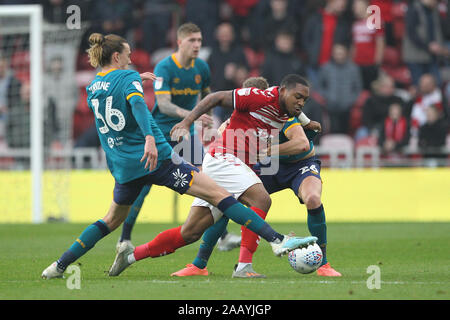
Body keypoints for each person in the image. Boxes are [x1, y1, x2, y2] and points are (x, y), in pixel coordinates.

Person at [41, 33, 315, 280]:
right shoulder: (128, 78)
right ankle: (277, 240)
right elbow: (137, 104)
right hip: (158, 158)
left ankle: (60, 265)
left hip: (123, 165)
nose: (131, 59)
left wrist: (135, 80)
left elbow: (116, 114)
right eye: (127, 55)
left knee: (113, 221)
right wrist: (149, 136)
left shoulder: (92, 87)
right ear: (117, 56)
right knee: (223, 196)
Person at [106, 73, 318, 277]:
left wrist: (307, 122)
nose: (300, 103)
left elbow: (297, 110)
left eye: (304, 100)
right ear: (282, 91)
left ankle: (131, 256)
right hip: (224, 159)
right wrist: (187, 122)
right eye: (297, 97)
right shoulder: (259, 96)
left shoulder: (287, 110)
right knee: (261, 199)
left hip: (227, 166)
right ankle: (249, 263)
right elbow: (214, 97)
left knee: (190, 232)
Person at [171, 76, 341, 278]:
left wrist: (268, 149)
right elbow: (225, 136)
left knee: (312, 199)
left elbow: (301, 144)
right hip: (269, 166)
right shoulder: (240, 116)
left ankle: (324, 264)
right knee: (225, 199)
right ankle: (204, 265)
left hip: (299, 165)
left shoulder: (284, 114)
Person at [118, 22, 240, 252]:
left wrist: (209, 121)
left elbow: (208, 98)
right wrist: (193, 116)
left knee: (209, 179)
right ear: (179, 42)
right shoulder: (164, 67)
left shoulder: (201, 67)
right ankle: (124, 239)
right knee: (143, 188)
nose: (196, 45)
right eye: (192, 40)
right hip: (161, 134)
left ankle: (221, 237)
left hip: (187, 135)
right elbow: (163, 105)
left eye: (199, 41)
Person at [317, 43, 362, 134]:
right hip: (330, 107)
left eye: (341, 53)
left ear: (346, 53)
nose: (339, 56)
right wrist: (327, 96)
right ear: (333, 54)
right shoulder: (325, 68)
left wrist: (350, 100)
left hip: (347, 107)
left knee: (345, 134)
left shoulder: (353, 69)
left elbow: (358, 88)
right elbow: (319, 86)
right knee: (331, 133)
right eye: (336, 53)